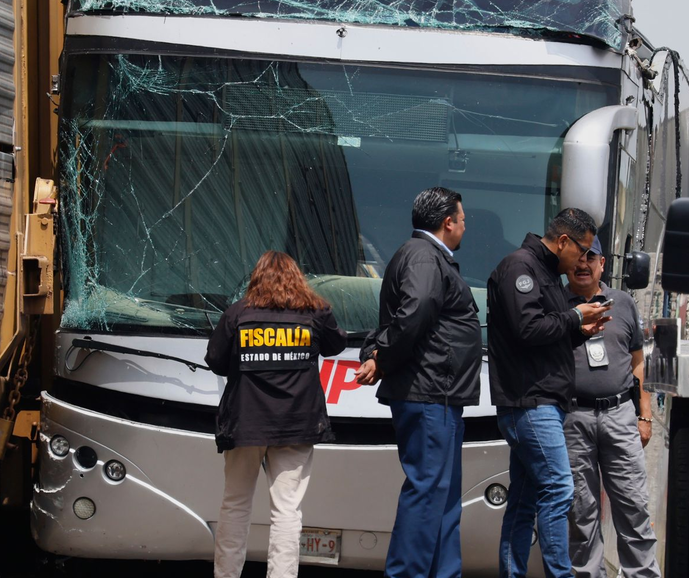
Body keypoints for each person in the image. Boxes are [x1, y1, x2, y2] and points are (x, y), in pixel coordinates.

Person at [353, 186, 482, 578]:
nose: (466, 226)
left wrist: (380, 354)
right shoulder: (424, 256)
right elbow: (414, 314)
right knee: (428, 493)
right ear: (448, 222)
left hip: (440, 394)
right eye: (463, 219)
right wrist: (382, 358)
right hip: (429, 392)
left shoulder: (426, 256)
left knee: (443, 498)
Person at [205, 250, 347, 578]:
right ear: (298, 278)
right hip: (296, 424)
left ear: (257, 278)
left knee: (235, 504)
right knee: (287, 510)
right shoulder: (316, 312)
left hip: (246, 424)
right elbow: (336, 345)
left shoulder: (238, 313)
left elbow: (215, 360)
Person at [486, 208, 612, 578]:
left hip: (540, 401)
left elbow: (545, 335)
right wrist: (575, 317)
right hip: (530, 402)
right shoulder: (520, 268)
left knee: (524, 502)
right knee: (558, 490)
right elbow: (528, 329)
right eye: (582, 251)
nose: (583, 261)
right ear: (563, 242)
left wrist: (579, 330)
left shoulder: (545, 273)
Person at [563, 236, 660, 578]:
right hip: (572, 419)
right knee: (580, 512)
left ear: (602, 264)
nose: (583, 263)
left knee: (634, 506)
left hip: (620, 415)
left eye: (591, 257)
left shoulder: (623, 303)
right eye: (577, 256)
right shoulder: (556, 305)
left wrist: (644, 415)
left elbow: (638, 362)